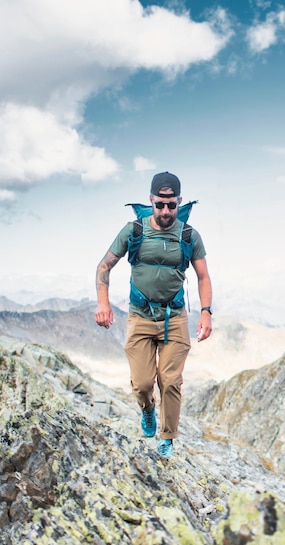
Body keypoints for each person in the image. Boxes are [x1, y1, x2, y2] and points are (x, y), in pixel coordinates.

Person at [95, 171, 212, 459]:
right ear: (151, 201)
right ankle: (147, 409)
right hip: (140, 317)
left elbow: (203, 276)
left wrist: (206, 312)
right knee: (144, 383)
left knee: (170, 380)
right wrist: (103, 304)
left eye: (171, 205)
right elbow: (103, 267)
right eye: (160, 204)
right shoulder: (133, 230)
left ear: (179, 202)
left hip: (175, 317)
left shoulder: (188, 235)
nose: (165, 210)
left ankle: (168, 437)